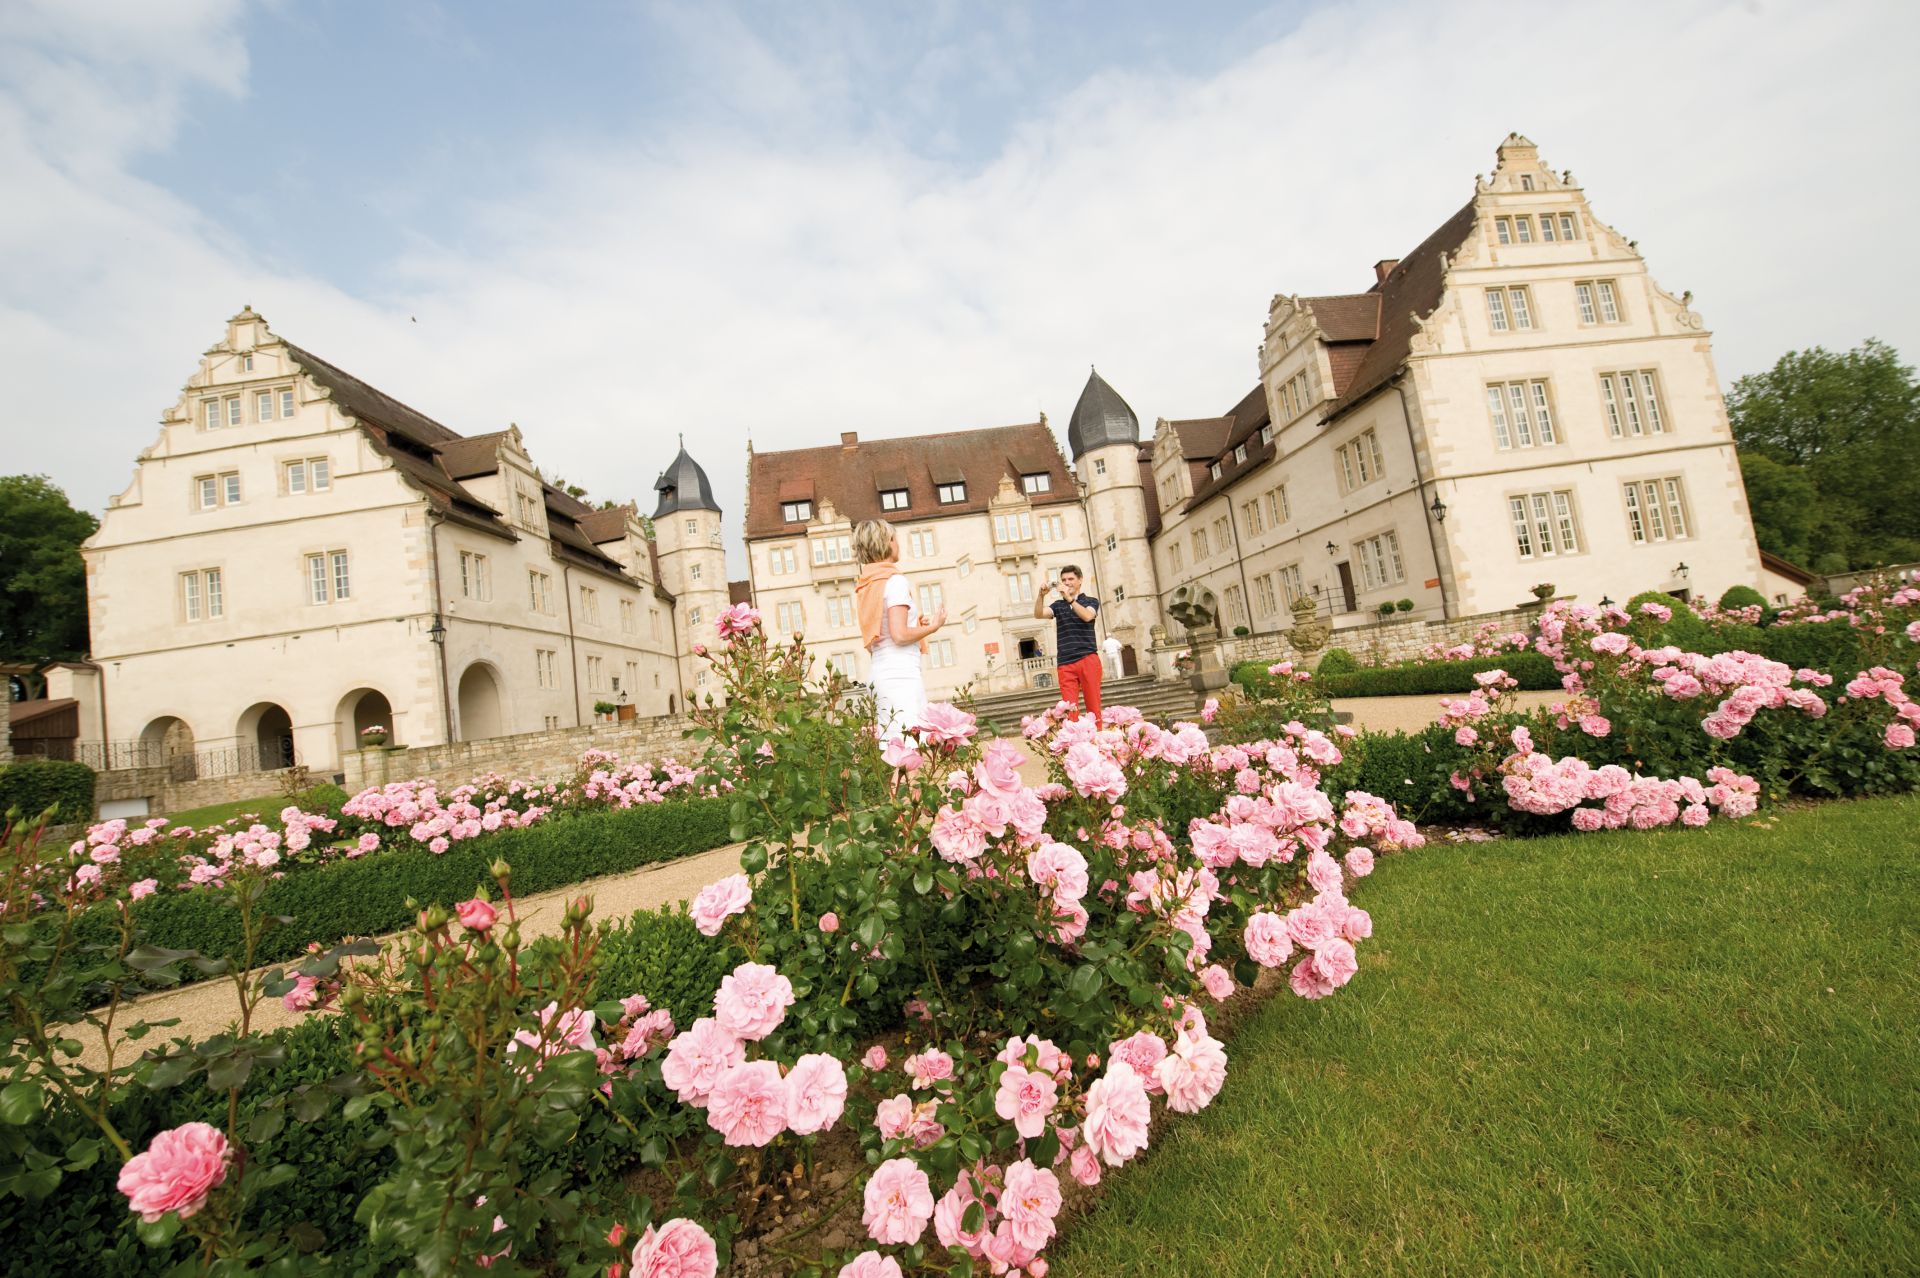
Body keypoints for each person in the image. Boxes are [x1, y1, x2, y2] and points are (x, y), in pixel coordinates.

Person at [854, 518, 945, 742]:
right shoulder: (894, 582)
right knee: (910, 754)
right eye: (895, 538)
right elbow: (900, 635)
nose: (898, 543)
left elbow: (879, 638)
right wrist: (933, 627)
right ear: (887, 542)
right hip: (900, 676)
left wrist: (917, 629)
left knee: (898, 755)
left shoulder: (868, 585)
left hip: (882, 673)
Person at [1034, 564, 1101, 720]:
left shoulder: (1091, 601)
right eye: (1064, 580)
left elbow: (1087, 616)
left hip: (1088, 658)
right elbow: (1038, 614)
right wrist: (1041, 596)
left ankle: (1096, 738)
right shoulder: (1058, 606)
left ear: (1080, 581)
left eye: (1071, 579)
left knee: (1093, 706)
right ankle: (1075, 741)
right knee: (1069, 709)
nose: (1067, 582)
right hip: (1065, 663)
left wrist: (1070, 599)